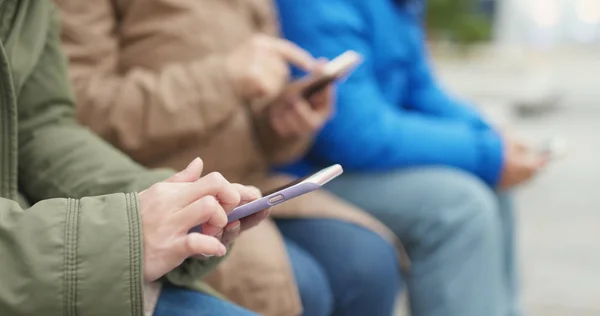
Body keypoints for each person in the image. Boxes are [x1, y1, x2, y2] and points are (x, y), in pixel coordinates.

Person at [54, 0, 404, 315]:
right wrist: (223, 78)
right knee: (300, 287)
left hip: (249, 185)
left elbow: (256, 124)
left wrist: (283, 121)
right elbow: (81, 110)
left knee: (369, 262)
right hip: (151, 185)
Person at [275, 0, 548, 315]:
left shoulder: (399, 6)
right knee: (459, 206)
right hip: (306, 174)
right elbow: (355, 135)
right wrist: (487, 153)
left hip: (354, 162)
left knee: (495, 181)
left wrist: (495, 140)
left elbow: (422, 91)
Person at [0, 1, 270, 316]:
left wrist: (157, 195)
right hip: (46, 246)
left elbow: (39, 127)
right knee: (288, 277)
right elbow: (94, 105)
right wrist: (126, 230)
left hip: (59, 229)